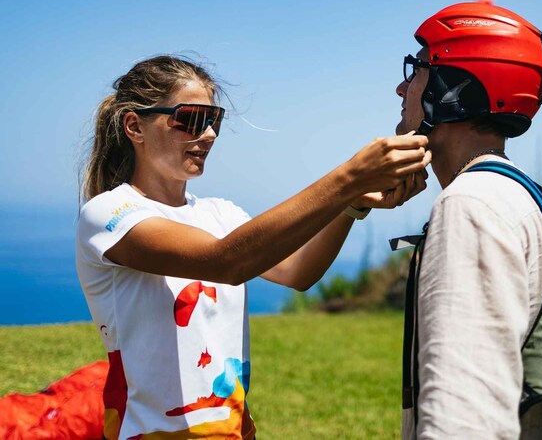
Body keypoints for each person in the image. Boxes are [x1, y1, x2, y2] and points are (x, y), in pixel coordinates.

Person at [76, 55, 430, 440]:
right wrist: (348, 177)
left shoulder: (220, 214)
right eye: (191, 119)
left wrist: (353, 203)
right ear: (134, 126)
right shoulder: (109, 214)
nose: (208, 134)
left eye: (214, 120)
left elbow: (298, 272)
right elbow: (225, 262)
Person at [396, 0, 542, 439]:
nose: (401, 88)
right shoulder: (519, 192)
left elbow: (464, 418)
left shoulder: (470, 207)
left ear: (452, 87)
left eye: (417, 69)